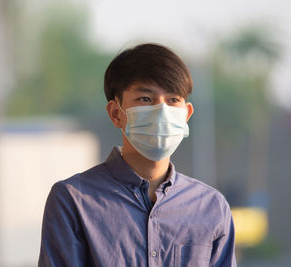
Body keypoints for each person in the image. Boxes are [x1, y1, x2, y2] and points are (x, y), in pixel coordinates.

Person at [38, 43, 236, 267]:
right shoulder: (74, 201)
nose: (162, 111)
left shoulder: (211, 207)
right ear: (116, 113)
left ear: (186, 114)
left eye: (173, 100)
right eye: (145, 99)